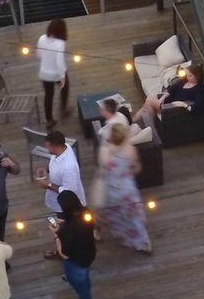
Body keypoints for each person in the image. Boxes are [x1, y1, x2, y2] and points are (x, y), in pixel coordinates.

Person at [95, 123, 153, 254]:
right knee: (134, 217)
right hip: (127, 189)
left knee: (117, 213)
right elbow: (136, 168)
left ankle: (121, 233)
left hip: (112, 189)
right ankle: (143, 243)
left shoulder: (106, 150)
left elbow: (101, 172)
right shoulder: (130, 150)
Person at [52, 190, 96, 298]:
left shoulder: (69, 229)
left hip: (77, 262)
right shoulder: (86, 213)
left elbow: (64, 254)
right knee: (84, 280)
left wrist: (55, 234)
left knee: (82, 289)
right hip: (89, 254)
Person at [138, 65, 204, 127]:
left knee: (149, 101)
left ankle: (144, 127)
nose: (187, 77)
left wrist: (184, 105)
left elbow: (197, 109)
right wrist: (162, 98)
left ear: (197, 76)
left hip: (171, 109)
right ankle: (140, 124)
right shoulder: (184, 80)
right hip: (167, 102)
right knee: (147, 105)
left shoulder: (199, 90)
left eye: (190, 76)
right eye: (187, 75)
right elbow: (171, 89)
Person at [36, 129, 84, 217]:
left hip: (67, 208)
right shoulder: (63, 148)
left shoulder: (69, 167)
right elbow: (55, 162)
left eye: (48, 147)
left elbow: (70, 192)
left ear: (55, 147)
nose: (46, 149)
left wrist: (48, 185)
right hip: (57, 202)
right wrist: (46, 169)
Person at [37, 19, 70, 126]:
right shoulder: (60, 43)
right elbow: (59, 62)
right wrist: (62, 77)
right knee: (64, 89)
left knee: (48, 95)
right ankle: (63, 109)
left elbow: (39, 54)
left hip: (44, 73)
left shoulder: (42, 38)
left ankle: (49, 120)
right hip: (57, 73)